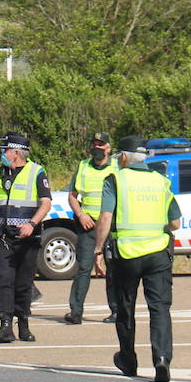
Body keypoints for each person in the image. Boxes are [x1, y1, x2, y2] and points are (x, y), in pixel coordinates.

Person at [93, 135, 181, 382]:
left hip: (127, 254)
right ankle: (162, 359)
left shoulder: (116, 179)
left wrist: (98, 250)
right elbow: (175, 222)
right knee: (160, 308)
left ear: (122, 156)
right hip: (158, 254)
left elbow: (105, 218)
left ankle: (128, 360)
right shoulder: (161, 181)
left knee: (125, 308)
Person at [0, 132, 52, 343]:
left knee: (24, 283)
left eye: (5, 150)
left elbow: (46, 203)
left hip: (28, 238)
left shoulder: (36, 172)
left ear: (16, 152)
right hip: (3, 237)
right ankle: (5, 325)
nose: (2, 154)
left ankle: (23, 322)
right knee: (4, 280)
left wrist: (31, 224)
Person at [64, 132, 119, 325]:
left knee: (113, 270)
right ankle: (76, 311)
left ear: (108, 148)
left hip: (112, 226)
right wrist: (81, 214)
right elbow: (72, 195)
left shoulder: (117, 167)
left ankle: (116, 311)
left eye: (101, 144)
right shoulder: (83, 166)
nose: (97, 147)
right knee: (84, 268)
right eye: (94, 143)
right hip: (87, 225)